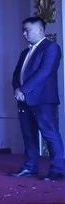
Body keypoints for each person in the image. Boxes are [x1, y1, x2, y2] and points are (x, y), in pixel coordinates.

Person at [10, 17, 64, 181]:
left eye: (27, 30)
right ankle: (30, 167)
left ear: (40, 30)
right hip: (23, 100)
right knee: (28, 135)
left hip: (43, 100)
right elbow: (16, 74)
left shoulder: (51, 47)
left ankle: (58, 170)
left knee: (50, 135)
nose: (24, 33)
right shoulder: (25, 52)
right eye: (23, 30)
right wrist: (17, 89)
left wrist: (23, 90)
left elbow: (44, 72)